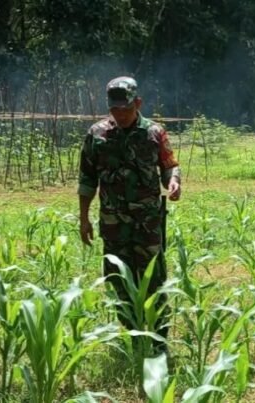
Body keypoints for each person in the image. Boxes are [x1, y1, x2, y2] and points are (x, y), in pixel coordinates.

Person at [77, 76, 181, 350]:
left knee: (154, 280)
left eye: (125, 108)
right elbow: (86, 179)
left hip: (148, 223)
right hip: (114, 223)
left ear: (138, 103)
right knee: (119, 281)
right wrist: (83, 217)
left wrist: (174, 180)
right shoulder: (97, 135)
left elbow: (169, 165)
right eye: (115, 109)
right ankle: (133, 336)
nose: (120, 115)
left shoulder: (154, 133)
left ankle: (158, 341)